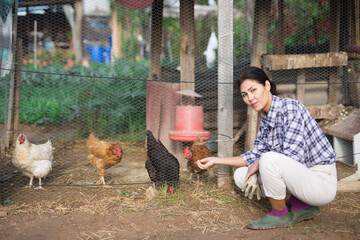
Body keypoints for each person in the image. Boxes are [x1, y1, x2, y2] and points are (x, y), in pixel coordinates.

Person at [197, 66, 337, 230]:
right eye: (245, 95)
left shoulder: (289, 108)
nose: (250, 98)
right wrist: (216, 160)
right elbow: (253, 156)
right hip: (301, 181)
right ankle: (301, 206)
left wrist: (260, 162)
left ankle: (280, 215)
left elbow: (292, 156)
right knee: (242, 176)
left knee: (267, 159)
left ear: (267, 86)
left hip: (320, 182)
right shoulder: (266, 120)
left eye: (253, 90)